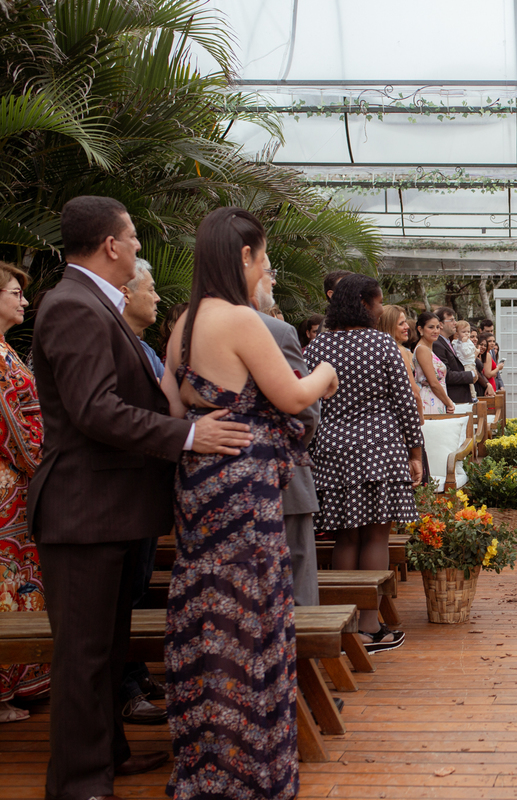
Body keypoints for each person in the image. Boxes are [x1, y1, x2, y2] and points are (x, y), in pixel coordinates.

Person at [30, 196, 252, 800]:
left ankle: (106, 756)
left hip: (109, 510)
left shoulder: (93, 304)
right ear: (111, 245)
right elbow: (95, 410)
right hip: (83, 512)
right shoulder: (72, 306)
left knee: (106, 650)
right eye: (131, 237)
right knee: (83, 656)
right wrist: (189, 435)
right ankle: (79, 783)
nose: (136, 247)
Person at [160, 207, 337, 800]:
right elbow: (292, 395)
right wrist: (325, 373)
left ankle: (207, 763)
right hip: (245, 487)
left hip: (197, 485)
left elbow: (173, 411)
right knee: (250, 613)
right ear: (244, 256)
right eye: (264, 256)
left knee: (208, 615)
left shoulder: (183, 325)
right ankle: (251, 769)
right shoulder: (240, 319)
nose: (267, 267)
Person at [305, 275, 424, 652]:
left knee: (345, 535)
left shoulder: (319, 345)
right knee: (375, 535)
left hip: (333, 450)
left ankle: (346, 626)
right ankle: (371, 627)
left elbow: (309, 403)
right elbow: (405, 402)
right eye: (377, 301)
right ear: (362, 303)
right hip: (379, 448)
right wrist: (415, 452)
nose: (380, 308)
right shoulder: (381, 343)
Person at [115, 258, 169, 727]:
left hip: (145, 484)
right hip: (121, 489)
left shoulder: (144, 348)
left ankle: (134, 674)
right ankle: (125, 689)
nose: (157, 297)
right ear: (126, 292)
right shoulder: (115, 345)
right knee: (123, 595)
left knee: (137, 586)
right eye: (150, 289)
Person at [255, 269, 322, 608]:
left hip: (216, 482)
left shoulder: (189, 327)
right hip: (281, 472)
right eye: (268, 271)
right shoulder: (276, 332)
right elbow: (306, 411)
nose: (274, 281)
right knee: (297, 580)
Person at [0, 261, 48, 725]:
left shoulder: (6, 349)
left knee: (15, 577)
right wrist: (40, 462)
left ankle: (18, 682)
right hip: (9, 478)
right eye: (15, 293)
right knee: (6, 579)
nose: (24, 301)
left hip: (15, 482)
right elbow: (10, 423)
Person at [378, 304, 424, 418]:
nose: (407, 326)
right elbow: (413, 391)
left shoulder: (379, 350)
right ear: (388, 326)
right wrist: (420, 418)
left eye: (406, 322)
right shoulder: (398, 350)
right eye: (401, 324)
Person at [431, 306, 476, 407]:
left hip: (460, 397)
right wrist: (471, 374)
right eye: (451, 320)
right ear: (441, 324)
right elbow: (445, 374)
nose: (455, 323)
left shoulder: (449, 342)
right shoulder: (437, 344)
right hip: (452, 399)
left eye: (454, 320)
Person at [413, 312, 455, 414]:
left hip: (437, 398)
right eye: (431, 327)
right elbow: (433, 383)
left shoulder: (427, 349)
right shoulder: (422, 349)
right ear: (420, 329)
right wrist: (449, 402)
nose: (435, 331)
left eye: (437, 327)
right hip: (430, 399)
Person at [452, 320, 479, 402]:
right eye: (463, 332)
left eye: (468, 332)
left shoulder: (468, 343)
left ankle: (473, 396)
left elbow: (466, 353)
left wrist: (464, 343)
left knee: (469, 381)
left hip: (468, 364)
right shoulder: (456, 342)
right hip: (461, 364)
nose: (467, 334)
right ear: (457, 334)